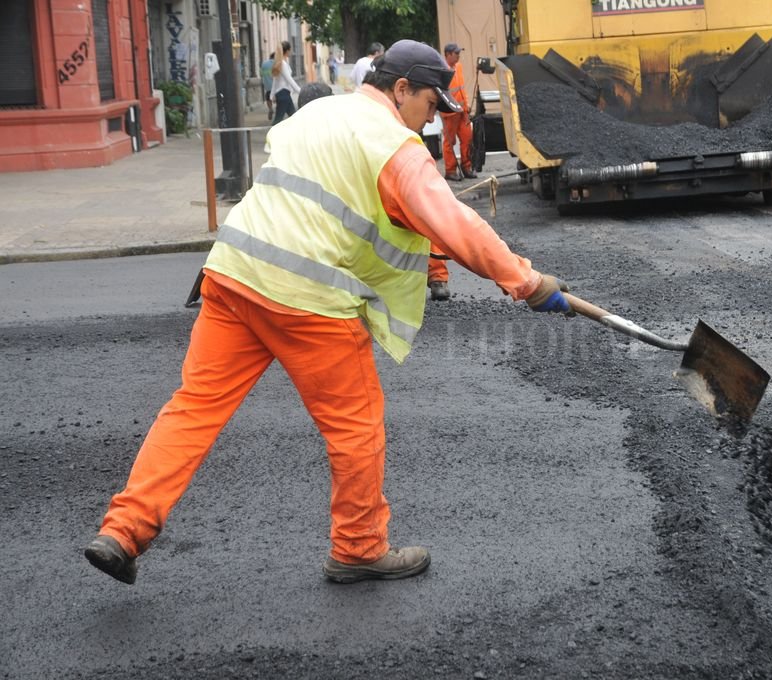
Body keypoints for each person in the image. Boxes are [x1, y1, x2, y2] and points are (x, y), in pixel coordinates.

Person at [83, 39, 572, 587]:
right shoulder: (393, 144)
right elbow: (455, 226)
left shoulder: (318, 110)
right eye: (432, 104)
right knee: (355, 427)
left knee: (193, 409)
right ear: (402, 89)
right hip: (306, 298)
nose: (433, 117)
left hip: (233, 273)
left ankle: (123, 530)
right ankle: (359, 547)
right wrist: (525, 281)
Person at [440, 43, 476, 182]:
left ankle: (467, 167)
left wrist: (466, 107)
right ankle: (450, 171)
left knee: (467, 139)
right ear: (448, 54)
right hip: (450, 113)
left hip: (462, 111)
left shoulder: (458, 66)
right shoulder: (442, 70)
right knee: (450, 142)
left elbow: (462, 89)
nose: (458, 56)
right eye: (456, 53)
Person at [271, 41, 301, 124]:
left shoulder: (281, 63)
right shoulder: (283, 64)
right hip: (283, 94)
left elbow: (275, 80)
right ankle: (271, 135)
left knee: (294, 118)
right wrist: (300, 91)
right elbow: (290, 80)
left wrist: (272, 94)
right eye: (290, 50)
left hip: (284, 94)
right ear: (287, 51)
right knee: (277, 121)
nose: (291, 52)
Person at [260, 52, 275, 121]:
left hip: (267, 86)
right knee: (278, 99)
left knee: (268, 98)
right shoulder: (276, 63)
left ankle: (270, 108)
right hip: (276, 86)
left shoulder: (264, 64)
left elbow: (261, 74)